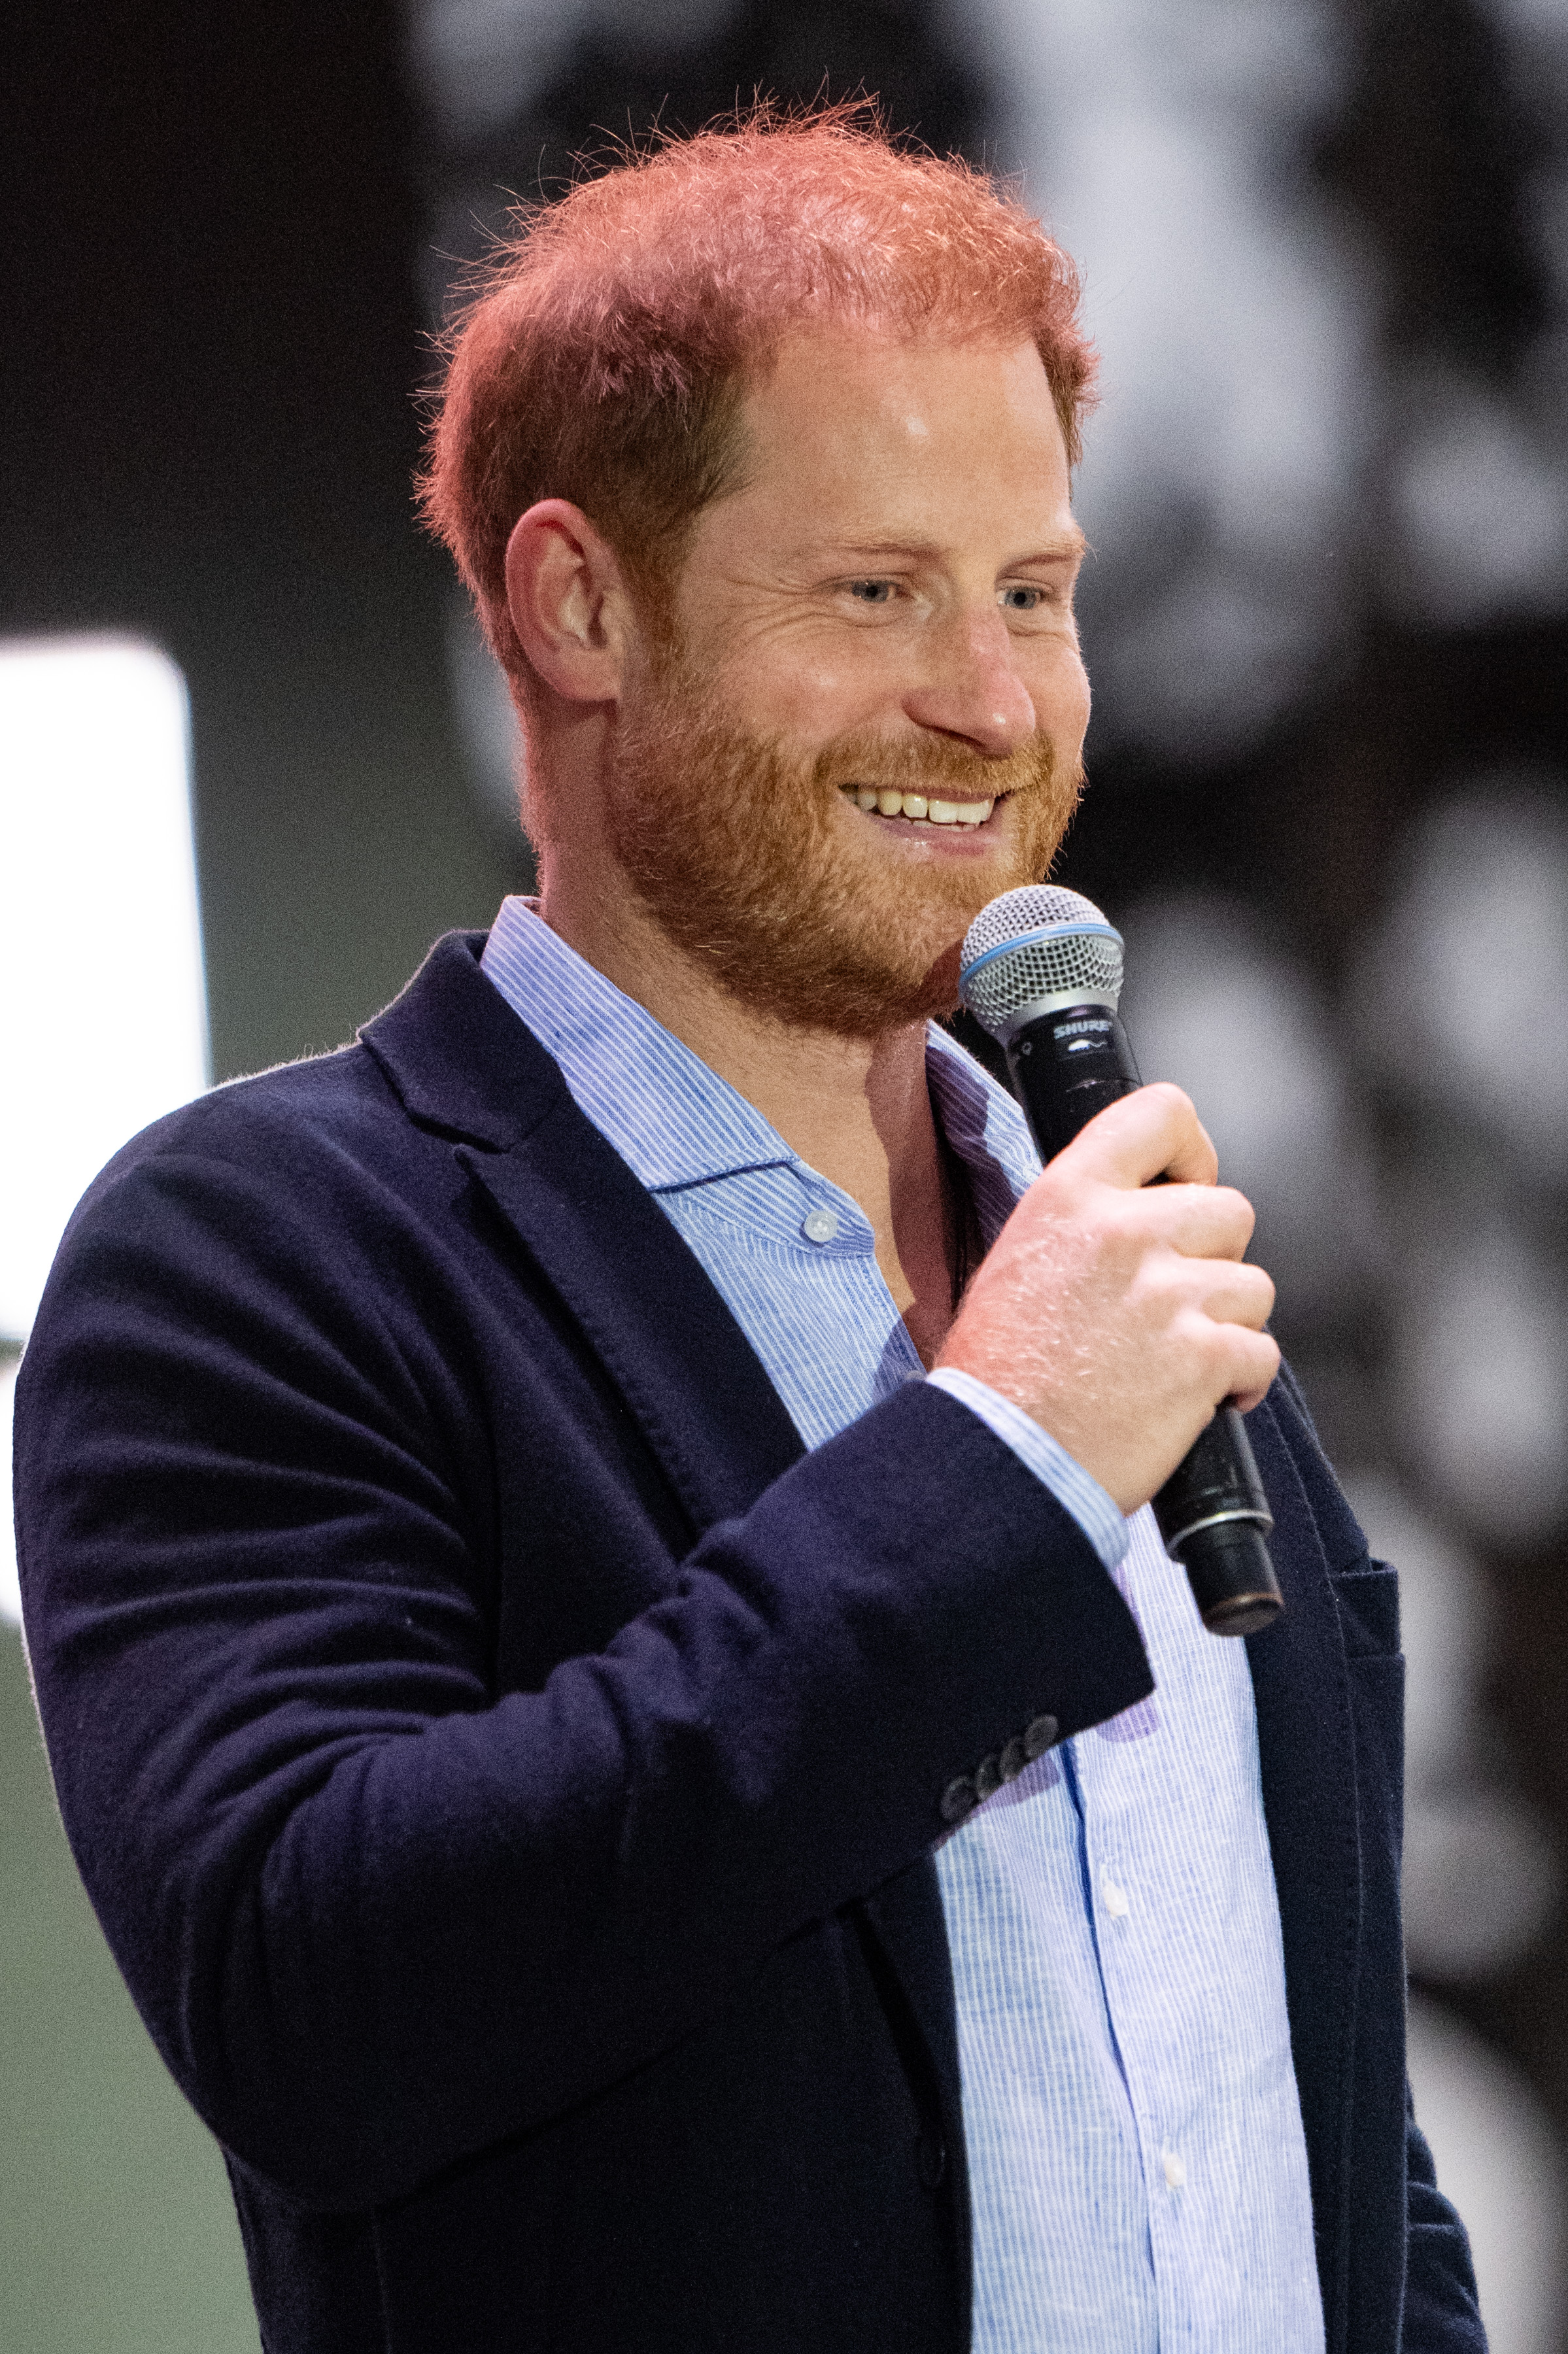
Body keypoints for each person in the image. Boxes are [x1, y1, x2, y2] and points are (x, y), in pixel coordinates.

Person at [14, 108, 1484, 2354]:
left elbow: (1318, 2117)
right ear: (577, 604)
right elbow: (321, 1994)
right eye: (876, 590)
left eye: (1034, 594)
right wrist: (993, 1466)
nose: (992, 705)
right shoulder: (267, 1257)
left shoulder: (1114, 1247)